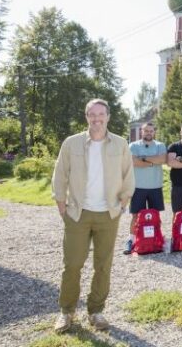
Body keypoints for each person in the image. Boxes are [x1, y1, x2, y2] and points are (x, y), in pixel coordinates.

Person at [51, 98, 134, 333]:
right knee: (72, 265)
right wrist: (62, 207)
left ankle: (96, 311)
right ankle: (66, 312)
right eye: (92, 115)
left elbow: (128, 176)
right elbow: (59, 175)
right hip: (77, 213)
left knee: (103, 265)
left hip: (108, 214)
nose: (96, 119)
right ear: (86, 117)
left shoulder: (120, 144)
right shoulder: (71, 143)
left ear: (108, 117)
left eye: (101, 115)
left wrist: (122, 205)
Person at [124, 122, 167, 254]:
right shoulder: (133, 146)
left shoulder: (160, 145)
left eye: (151, 131)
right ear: (141, 132)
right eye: (146, 131)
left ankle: (157, 239)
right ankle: (131, 240)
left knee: (155, 215)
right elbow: (133, 162)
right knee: (136, 216)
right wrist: (152, 161)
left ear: (154, 132)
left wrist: (143, 159)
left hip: (155, 186)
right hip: (139, 187)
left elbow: (162, 160)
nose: (149, 133)